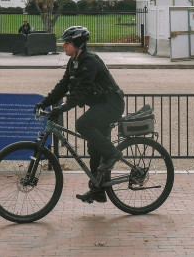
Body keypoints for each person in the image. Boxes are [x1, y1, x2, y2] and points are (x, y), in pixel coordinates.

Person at [33, 25, 125, 204]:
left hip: (111, 105)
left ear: (77, 44)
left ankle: (113, 154)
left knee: (82, 124)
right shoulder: (74, 62)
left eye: (67, 43)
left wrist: (64, 107)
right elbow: (63, 86)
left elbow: (81, 91)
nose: (63, 46)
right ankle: (98, 190)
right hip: (100, 105)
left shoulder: (89, 62)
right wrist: (45, 102)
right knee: (94, 150)